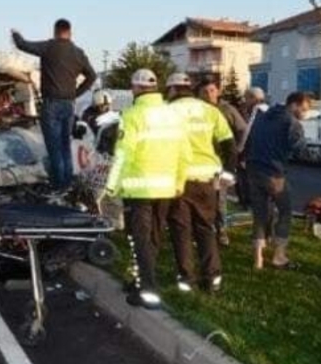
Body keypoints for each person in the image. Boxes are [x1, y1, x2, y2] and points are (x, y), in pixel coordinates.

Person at [104, 69, 191, 310]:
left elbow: (122, 154)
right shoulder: (172, 115)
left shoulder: (132, 116)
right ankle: (139, 281)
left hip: (138, 187)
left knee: (139, 239)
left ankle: (148, 291)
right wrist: (179, 182)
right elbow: (184, 153)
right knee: (153, 237)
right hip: (166, 187)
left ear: (136, 88)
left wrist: (110, 186)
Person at [166, 73, 236, 293]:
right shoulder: (210, 111)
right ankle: (213, 277)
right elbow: (229, 143)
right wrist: (229, 172)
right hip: (207, 179)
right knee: (206, 227)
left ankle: (186, 278)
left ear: (172, 90)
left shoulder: (167, 112)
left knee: (181, 230)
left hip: (179, 179)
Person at [12, 19, 97, 192]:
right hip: (68, 105)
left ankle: (59, 187)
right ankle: (67, 184)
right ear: (70, 32)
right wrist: (76, 93)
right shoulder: (78, 53)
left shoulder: (49, 47)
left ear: (55, 31)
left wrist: (15, 34)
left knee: (54, 148)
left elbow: (23, 45)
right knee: (65, 145)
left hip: (51, 104)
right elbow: (92, 76)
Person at [246, 91, 311, 269]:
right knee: (285, 211)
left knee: (260, 215)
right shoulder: (291, 122)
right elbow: (301, 150)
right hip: (274, 173)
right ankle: (279, 255)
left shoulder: (263, 116)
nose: (304, 114)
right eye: (304, 109)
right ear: (294, 105)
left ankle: (258, 258)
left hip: (253, 169)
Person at [196, 78, 247, 246]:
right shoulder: (196, 111)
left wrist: (237, 150)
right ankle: (202, 232)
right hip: (199, 163)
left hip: (220, 163)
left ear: (217, 92)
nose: (209, 94)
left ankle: (221, 232)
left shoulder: (227, 110)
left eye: (212, 90)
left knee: (219, 200)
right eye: (205, 91)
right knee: (200, 200)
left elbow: (242, 130)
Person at [237, 87, 270, 209]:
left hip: (253, 154)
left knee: (248, 181)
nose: (245, 101)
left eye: (246, 98)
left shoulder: (257, 110)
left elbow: (248, 132)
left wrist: (241, 151)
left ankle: (248, 204)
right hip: (267, 155)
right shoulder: (269, 110)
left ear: (253, 98)